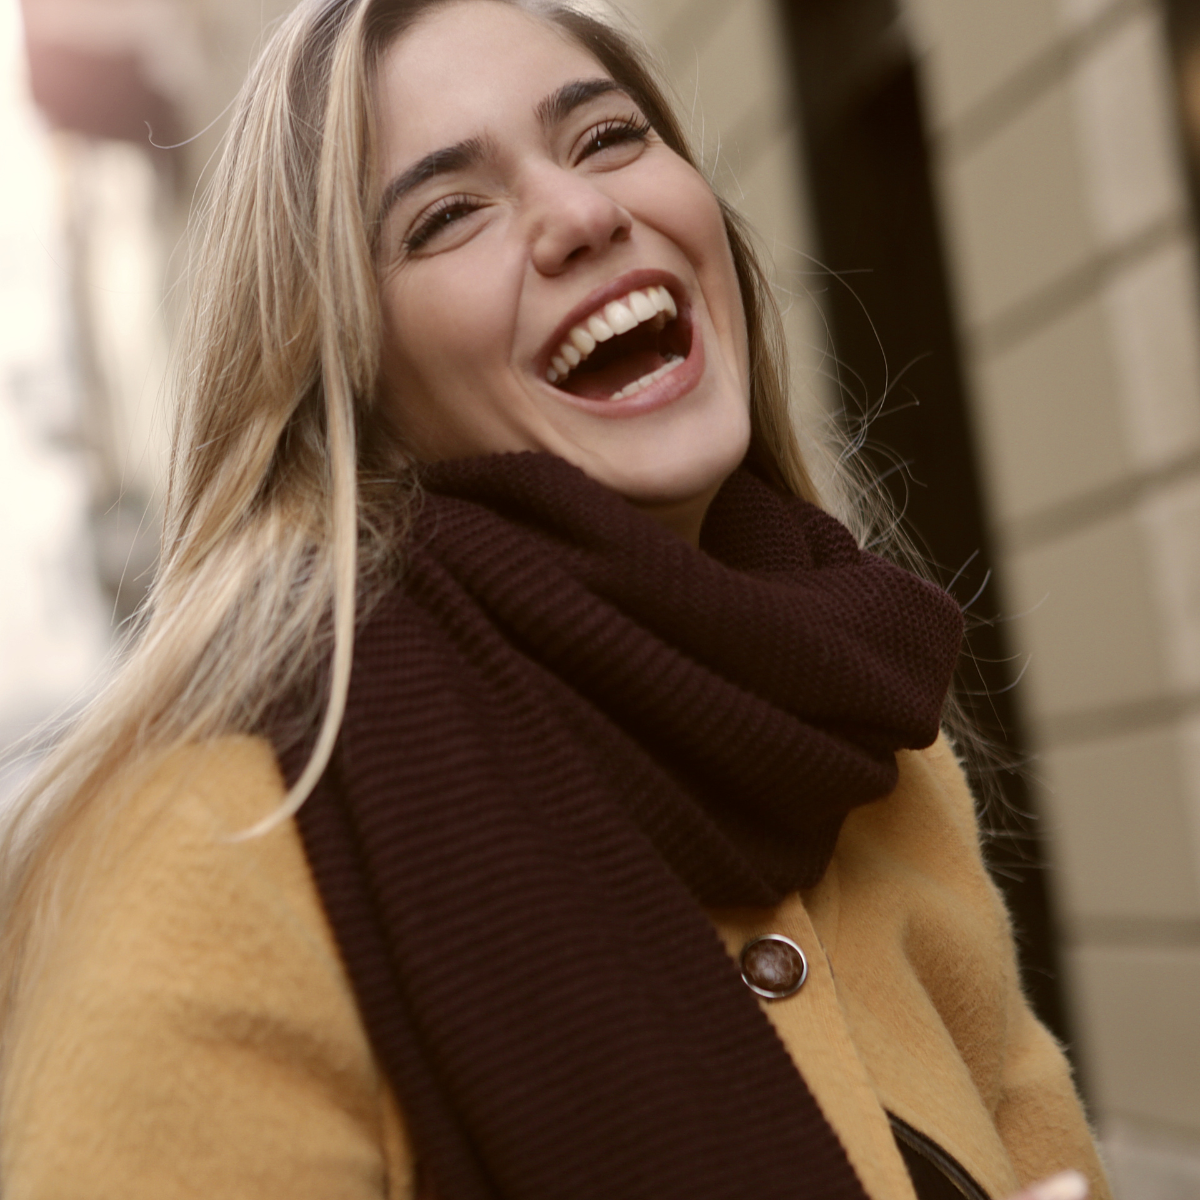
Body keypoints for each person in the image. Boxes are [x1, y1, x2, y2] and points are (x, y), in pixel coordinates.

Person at [0, 1, 1111, 1198]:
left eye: (608, 136)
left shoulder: (873, 733)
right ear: (350, 384)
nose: (586, 215)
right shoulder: (209, 845)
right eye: (447, 214)